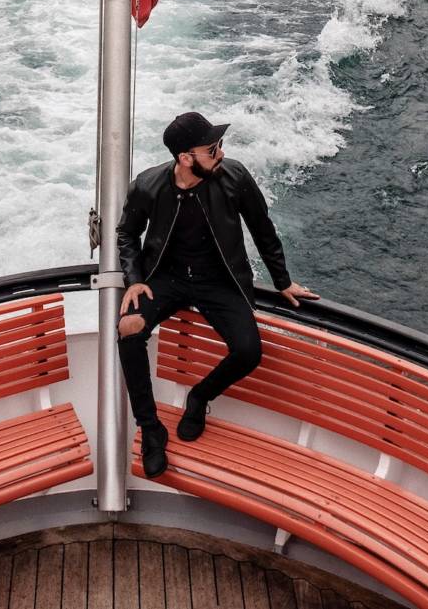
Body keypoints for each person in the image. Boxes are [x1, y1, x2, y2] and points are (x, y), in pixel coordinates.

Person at [117, 111, 319, 478]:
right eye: (212, 149)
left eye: (220, 146)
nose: (221, 154)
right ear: (184, 158)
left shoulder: (234, 177)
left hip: (219, 280)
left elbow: (262, 228)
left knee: (248, 351)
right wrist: (133, 278)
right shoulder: (148, 186)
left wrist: (282, 281)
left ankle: (199, 398)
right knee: (129, 329)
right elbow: (127, 233)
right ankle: (150, 428)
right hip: (166, 278)